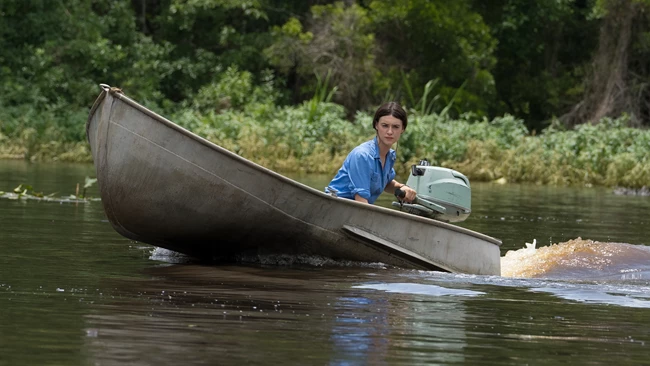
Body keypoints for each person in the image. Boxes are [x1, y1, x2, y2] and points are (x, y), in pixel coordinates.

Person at [325, 102, 417, 204]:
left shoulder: (390, 156)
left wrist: (401, 187)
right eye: (385, 126)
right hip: (334, 206)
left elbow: (385, 183)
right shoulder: (362, 156)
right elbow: (361, 202)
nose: (390, 132)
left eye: (395, 127)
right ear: (376, 125)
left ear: (402, 129)